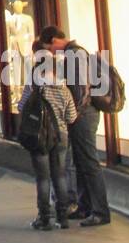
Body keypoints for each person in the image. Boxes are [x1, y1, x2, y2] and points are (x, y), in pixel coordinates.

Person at [40, 25, 112, 226]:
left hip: (83, 116)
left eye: (50, 48)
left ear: (55, 40)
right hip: (81, 115)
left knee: (89, 162)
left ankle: (100, 212)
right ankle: (85, 207)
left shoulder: (75, 54)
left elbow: (81, 91)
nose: (51, 53)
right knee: (81, 163)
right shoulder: (73, 54)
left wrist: (72, 116)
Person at [19, 42, 77, 230]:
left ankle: (44, 218)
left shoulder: (34, 85)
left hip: (40, 136)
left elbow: (21, 107)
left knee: (43, 178)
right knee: (59, 176)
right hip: (61, 136)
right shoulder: (63, 88)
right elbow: (72, 116)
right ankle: (63, 217)